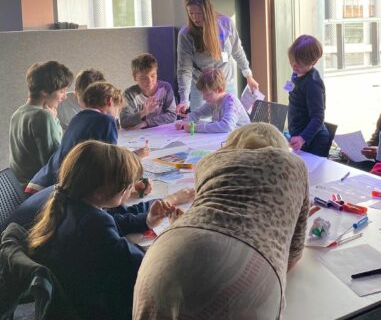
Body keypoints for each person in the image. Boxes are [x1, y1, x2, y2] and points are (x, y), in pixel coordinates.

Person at [133, 122, 310, 320]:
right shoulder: (294, 164)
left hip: (166, 253)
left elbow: (211, 218)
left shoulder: (209, 161)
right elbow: (293, 254)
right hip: (247, 266)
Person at [27, 141, 183, 320]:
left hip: (77, 298)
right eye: (127, 185)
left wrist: (147, 220)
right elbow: (144, 266)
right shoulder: (94, 224)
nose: (131, 189)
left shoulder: (69, 205)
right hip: (102, 309)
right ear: (100, 192)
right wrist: (175, 232)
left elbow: (113, 222)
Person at [25, 81, 135, 194]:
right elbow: (112, 164)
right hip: (56, 190)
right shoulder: (106, 120)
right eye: (117, 110)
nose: (117, 115)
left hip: (40, 183)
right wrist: (134, 157)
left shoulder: (77, 118)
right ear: (109, 100)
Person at [175, 0, 259, 113]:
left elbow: (237, 50)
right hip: (202, 87)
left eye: (199, 13)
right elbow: (184, 69)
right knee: (199, 120)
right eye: (190, 13)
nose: (195, 18)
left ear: (207, 11)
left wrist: (248, 76)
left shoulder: (226, 23)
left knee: (230, 118)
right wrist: (184, 99)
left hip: (225, 84)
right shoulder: (186, 34)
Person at [9, 61, 73, 185]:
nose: (65, 97)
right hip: (36, 187)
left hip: (18, 186)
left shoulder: (18, 112)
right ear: (44, 91)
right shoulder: (43, 116)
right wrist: (54, 120)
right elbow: (55, 163)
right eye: (62, 91)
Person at [287, 35, 331, 157]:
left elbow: (318, 117)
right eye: (292, 60)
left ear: (314, 62)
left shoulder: (313, 84)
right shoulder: (296, 73)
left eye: (299, 63)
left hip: (314, 141)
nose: (294, 65)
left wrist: (302, 138)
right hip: (298, 134)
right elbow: (292, 92)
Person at [175, 68, 249, 133]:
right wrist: (185, 121)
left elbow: (227, 126)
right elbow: (197, 113)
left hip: (243, 140)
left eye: (207, 94)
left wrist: (195, 127)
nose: (204, 98)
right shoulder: (214, 101)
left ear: (220, 90)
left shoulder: (231, 102)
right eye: (203, 94)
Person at [119, 53, 177, 129]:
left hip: (161, 131)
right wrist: (144, 112)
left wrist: (147, 123)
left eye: (153, 75)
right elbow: (124, 122)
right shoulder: (129, 94)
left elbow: (172, 115)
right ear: (135, 77)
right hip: (139, 133)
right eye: (143, 78)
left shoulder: (165, 88)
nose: (150, 81)